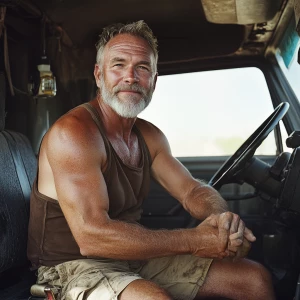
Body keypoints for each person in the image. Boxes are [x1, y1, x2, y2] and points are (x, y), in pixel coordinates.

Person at [27, 20, 275, 300]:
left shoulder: (150, 136)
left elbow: (192, 189)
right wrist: (195, 241)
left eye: (142, 68)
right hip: (70, 268)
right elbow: (91, 235)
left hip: (132, 257)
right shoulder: (73, 134)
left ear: (154, 80)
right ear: (99, 75)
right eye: (118, 65)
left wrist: (220, 220)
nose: (130, 76)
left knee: (254, 279)